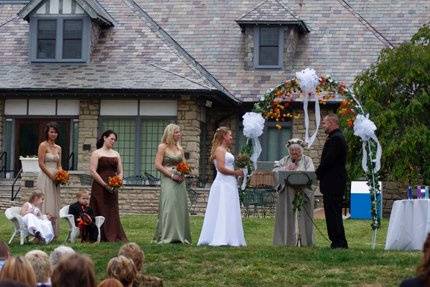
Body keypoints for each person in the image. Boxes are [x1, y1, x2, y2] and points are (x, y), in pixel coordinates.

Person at [197, 127, 246, 247]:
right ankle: (220, 237)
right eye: (230, 135)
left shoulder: (226, 149)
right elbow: (221, 168)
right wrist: (236, 173)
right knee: (222, 209)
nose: (231, 138)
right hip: (223, 184)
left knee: (229, 209)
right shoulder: (219, 150)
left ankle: (230, 236)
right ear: (224, 136)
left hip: (230, 183)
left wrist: (238, 173)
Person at [273, 138, 315, 247]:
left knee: (304, 216)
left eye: (297, 150)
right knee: (286, 214)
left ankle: (305, 241)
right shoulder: (284, 160)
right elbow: (275, 171)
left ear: (301, 150)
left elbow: (311, 174)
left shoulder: (307, 160)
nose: (294, 152)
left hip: (303, 191)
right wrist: (286, 168)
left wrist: (299, 174)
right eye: (292, 150)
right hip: (287, 192)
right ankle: (287, 241)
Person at [153, 124, 191, 244]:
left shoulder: (180, 148)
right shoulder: (162, 147)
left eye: (180, 132)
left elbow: (184, 164)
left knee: (180, 207)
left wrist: (184, 173)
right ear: (170, 133)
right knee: (169, 206)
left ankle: (180, 235)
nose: (179, 134)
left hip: (180, 180)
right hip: (168, 178)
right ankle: (167, 235)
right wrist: (172, 175)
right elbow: (158, 165)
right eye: (176, 132)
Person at [316, 113, 348, 249]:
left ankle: (339, 242)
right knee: (332, 213)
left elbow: (328, 160)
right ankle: (336, 241)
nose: (323, 126)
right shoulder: (335, 138)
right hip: (333, 182)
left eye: (324, 123)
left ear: (332, 123)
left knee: (333, 213)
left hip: (333, 183)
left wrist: (317, 173)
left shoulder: (336, 139)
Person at [90, 130, 127, 242]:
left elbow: (120, 171)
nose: (113, 141)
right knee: (100, 208)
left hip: (113, 186)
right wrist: (105, 185)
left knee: (112, 210)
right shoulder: (96, 153)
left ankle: (113, 233)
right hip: (100, 186)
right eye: (111, 138)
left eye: (115, 140)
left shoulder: (116, 154)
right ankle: (99, 235)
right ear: (104, 138)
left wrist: (117, 182)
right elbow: (93, 171)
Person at [36, 122, 62, 237]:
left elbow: (59, 165)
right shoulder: (43, 145)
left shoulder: (59, 148)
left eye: (55, 132)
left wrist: (62, 175)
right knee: (45, 201)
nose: (53, 134)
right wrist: (51, 176)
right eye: (51, 132)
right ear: (47, 132)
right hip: (45, 177)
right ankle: (41, 231)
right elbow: (41, 164)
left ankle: (52, 231)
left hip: (56, 178)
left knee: (54, 202)